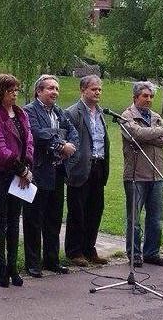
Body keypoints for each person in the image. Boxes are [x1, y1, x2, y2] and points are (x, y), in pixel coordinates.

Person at [22, 75, 79, 278]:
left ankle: (52, 260)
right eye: (50, 88)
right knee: (34, 219)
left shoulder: (58, 111)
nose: (54, 92)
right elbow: (37, 134)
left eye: (56, 89)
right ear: (39, 91)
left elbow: (73, 133)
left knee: (54, 219)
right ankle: (33, 263)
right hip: (38, 172)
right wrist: (61, 143)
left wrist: (67, 144)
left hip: (57, 172)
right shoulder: (29, 110)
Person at [0, 74, 33, 287]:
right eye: (10, 90)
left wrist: (27, 164)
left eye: (16, 91)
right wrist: (20, 168)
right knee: (0, 219)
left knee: (14, 220)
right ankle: (1, 267)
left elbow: (29, 140)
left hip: (18, 172)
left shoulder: (21, 113)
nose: (14, 94)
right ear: (0, 92)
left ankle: (13, 267)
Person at [121, 81, 163, 268]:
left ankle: (152, 253)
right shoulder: (127, 116)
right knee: (134, 219)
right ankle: (134, 254)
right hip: (136, 175)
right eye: (145, 96)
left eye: (151, 96)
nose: (149, 99)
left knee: (156, 219)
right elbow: (135, 134)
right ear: (135, 97)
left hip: (157, 174)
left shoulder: (156, 116)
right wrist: (158, 132)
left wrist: (149, 134)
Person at [64, 75, 110, 267]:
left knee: (95, 209)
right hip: (81, 167)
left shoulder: (101, 113)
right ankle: (74, 251)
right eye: (93, 89)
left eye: (99, 89)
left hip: (98, 166)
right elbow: (68, 141)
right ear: (83, 90)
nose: (97, 92)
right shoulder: (73, 112)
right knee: (77, 210)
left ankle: (89, 248)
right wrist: (72, 165)